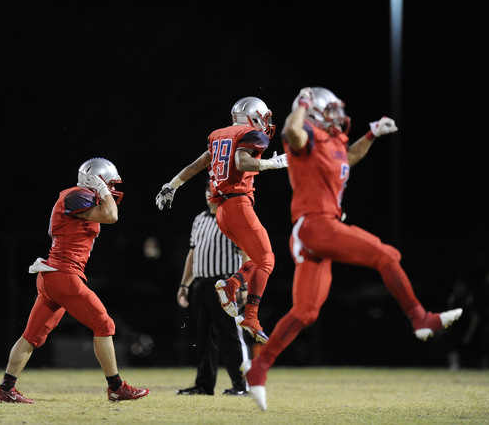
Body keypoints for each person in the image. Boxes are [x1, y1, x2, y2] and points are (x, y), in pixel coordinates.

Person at [241, 87, 463, 411]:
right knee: (387, 256)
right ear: (313, 111)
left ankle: (258, 369)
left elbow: (350, 159)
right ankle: (420, 318)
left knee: (306, 312)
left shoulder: (334, 140)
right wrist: (301, 103)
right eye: (327, 109)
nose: (335, 115)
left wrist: (371, 135)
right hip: (315, 224)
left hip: (319, 230)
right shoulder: (305, 135)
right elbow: (290, 129)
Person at [0, 158, 150, 404]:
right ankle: (116, 387)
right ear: (95, 179)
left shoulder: (81, 197)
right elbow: (111, 215)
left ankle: (5, 389)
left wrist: (100, 189)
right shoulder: (75, 195)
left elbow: (106, 213)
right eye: (108, 182)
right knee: (104, 325)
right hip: (63, 275)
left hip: (56, 276)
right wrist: (100, 188)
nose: (111, 188)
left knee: (32, 336)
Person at [156, 96, 288, 344]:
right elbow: (242, 161)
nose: (267, 123)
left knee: (259, 260)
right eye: (265, 117)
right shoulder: (252, 134)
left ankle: (234, 291)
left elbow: (198, 164)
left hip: (222, 212)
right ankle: (246, 310)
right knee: (267, 260)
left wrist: (172, 185)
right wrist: (274, 163)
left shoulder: (219, 135)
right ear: (254, 116)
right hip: (238, 204)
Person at [176, 183, 251, 396]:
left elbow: (245, 251)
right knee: (202, 337)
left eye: (215, 190)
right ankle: (203, 385)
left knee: (230, 336)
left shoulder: (230, 217)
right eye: (208, 190)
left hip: (226, 284)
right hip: (201, 284)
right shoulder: (199, 219)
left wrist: (243, 286)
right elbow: (193, 254)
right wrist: (184, 285)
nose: (211, 194)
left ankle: (241, 384)